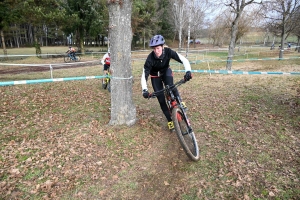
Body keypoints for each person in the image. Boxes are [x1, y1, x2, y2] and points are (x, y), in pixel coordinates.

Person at [141, 34, 192, 131]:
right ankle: (170, 120)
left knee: (171, 86)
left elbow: (183, 60)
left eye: (158, 48)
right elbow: (144, 75)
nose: (156, 51)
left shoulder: (168, 52)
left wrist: (188, 71)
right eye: (154, 49)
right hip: (155, 76)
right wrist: (144, 90)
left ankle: (180, 102)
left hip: (166, 72)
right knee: (161, 99)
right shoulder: (150, 58)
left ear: (162, 46)